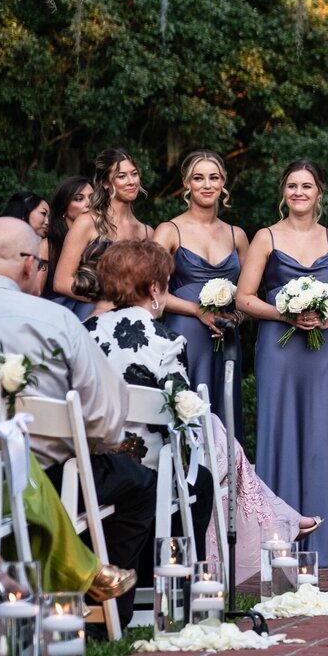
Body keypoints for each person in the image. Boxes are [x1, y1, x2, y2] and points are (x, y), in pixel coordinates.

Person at [0, 218, 151, 624]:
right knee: (140, 485)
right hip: (56, 478)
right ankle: (98, 618)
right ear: (28, 265)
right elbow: (105, 418)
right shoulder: (56, 321)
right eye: (41, 264)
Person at [86, 240, 313, 582]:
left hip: (92, 464)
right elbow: (182, 418)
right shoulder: (164, 341)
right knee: (211, 465)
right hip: (148, 468)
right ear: (154, 289)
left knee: (220, 438)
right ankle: (195, 576)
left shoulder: (84, 333)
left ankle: (279, 521)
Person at [237, 160, 328, 569]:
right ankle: (276, 541)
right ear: (283, 192)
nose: (299, 192)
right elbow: (244, 298)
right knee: (279, 429)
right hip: (279, 346)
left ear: (319, 192)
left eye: (307, 185)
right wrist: (285, 315)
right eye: (292, 186)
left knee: (320, 433)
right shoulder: (266, 237)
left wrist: (324, 319)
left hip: (321, 349)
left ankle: (324, 544)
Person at [153, 150, 250, 442]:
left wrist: (236, 317)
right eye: (198, 178)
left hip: (225, 340)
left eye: (214, 177)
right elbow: (150, 293)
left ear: (223, 184)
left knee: (224, 415)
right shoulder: (169, 231)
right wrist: (197, 311)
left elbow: (248, 297)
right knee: (184, 417)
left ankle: (224, 484)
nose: (207, 185)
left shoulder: (238, 236)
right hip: (184, 340)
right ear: (187, 183)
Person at [53, 149, 152, 320]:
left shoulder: (147, 232)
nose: (131, 182)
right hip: (92, 314)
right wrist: (109, 301)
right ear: (105, 183)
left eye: (134, 174)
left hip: (134, 320)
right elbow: (61, 282)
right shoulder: (87, 223)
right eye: (122, 176)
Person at [45, 176, 93, 309]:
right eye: (79, 199)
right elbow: (33, 294)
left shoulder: (98, 244)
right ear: (63, 208)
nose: (89, 203)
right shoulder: (47, 246)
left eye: (92, 197)